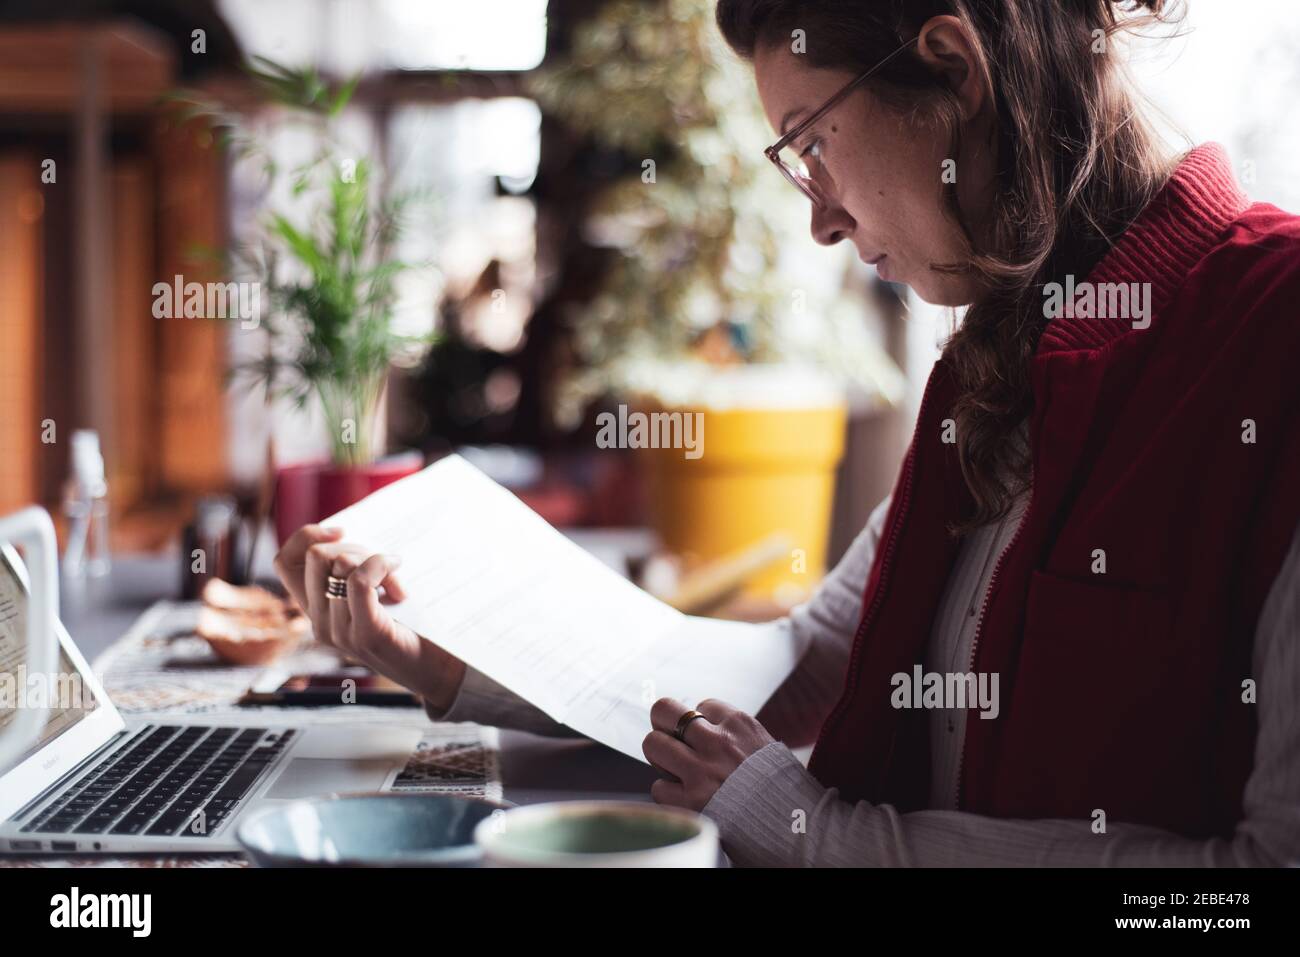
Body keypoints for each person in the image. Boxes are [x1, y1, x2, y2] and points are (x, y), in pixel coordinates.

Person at [274, 0, 1300, 866]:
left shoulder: (1275, 336)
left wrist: (816, 830)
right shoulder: (1000, 356)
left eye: (812, 143)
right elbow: (808, 657)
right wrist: (453, 661)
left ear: (950, 66)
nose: (818, 220)